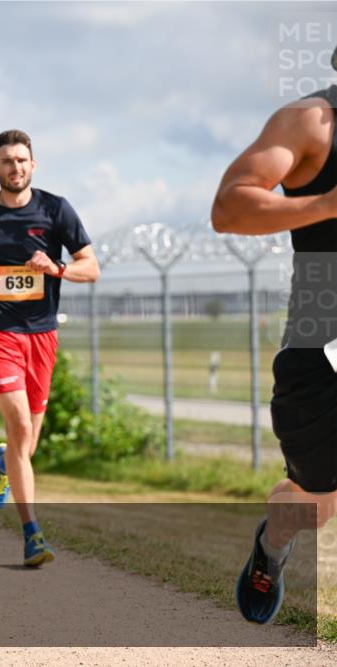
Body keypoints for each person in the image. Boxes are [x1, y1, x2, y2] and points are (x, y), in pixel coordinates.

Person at [211, 73, 337, 624]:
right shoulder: (310, 121)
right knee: (314, 506)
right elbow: (230, 208)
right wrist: (329, 204)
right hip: (321, 339)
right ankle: (273, 542)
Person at [0, 129, 99, 567]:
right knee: (18, 426)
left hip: (42, 333)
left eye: (21, 160)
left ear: (33, 165)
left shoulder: (55, 209)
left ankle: (2, 462)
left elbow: (92, 267)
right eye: (7, 161)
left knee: (25, 440)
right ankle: (32, 532)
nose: (15, 167)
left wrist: (57, 268)